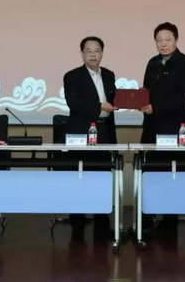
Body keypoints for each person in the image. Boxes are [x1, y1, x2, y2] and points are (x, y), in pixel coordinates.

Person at [140, 22, 185, 237]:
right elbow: (147, 90)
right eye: (159, 40)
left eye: (168, 40)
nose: (163, 44)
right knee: (149, 175)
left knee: (171, 176)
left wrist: (155, 107)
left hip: (175, 129)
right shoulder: (152, 63)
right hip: (152, 128)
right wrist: (139, 99)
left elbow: (182, 98)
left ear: (176, 40)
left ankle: (169, 223)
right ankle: (146, 220)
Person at [63, 36, 117, 240]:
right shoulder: (72, 76)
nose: (93, 55)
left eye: (97, 51)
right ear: (82, 54)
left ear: (102, 53)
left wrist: (128, 100)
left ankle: (103, 224)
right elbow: (73, 103)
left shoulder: (109, 75)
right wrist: (99, 106)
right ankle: (77, 222)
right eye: (89, 51)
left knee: (102, 178)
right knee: (80, 178)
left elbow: (114, 99)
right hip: (81, 133)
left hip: (104, 131)